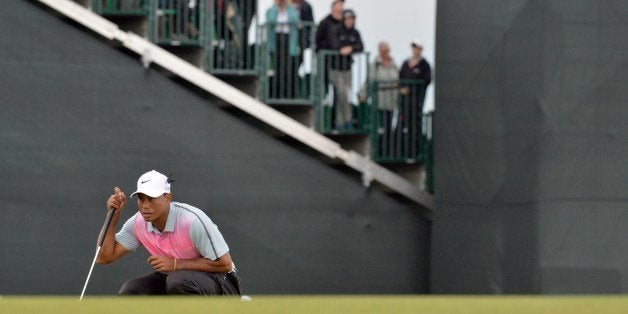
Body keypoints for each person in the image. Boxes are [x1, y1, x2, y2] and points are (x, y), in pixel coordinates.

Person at [96, 170, 242, 295]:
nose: (145, 205)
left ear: (168, 198)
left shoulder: (191, 221)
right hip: (176, 279)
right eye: (141, 199)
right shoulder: (138, 222)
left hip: (223, 282)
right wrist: (113, 216)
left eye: (152, 199)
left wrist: (175, 264)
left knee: (178, 281)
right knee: (132, 290)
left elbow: (225, 265)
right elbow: (104, 257)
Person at [359, 41, 399, 157]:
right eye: (383, 51)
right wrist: (363, 94)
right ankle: (377, 152)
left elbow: (398, 80)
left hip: (391, 103)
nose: (386, 53)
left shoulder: (394, 65)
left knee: (388, 129)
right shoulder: (375, 65)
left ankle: (387, 153)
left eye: (387, 51)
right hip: (379, 103)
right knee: (379, 129)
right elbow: (369, 81)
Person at [329, 9, 363, 130]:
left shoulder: (355, 33)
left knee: (343, 96)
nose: (350, 21)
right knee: (342, 94)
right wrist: (343, 48)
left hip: (347, 69)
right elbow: (334, 45)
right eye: (348, 19)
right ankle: (346, 121)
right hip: (335, 69)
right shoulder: (336, 30)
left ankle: (341, 123)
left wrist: (350, 48)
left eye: (352, 19)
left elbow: (360, 46)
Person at [399, 39, 431, 159]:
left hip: (416, 103)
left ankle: (414, 153)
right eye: (413, 47)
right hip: (404, 103)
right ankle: (402, 152)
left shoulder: (425, 65)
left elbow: (426, 81)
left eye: (417, 47)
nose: (415, 50)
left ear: (421, 49)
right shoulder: (405, 63)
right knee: (402, 126)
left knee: (414, 128)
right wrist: (402, 89)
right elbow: (400, 79)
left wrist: (411, 89)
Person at [265, 0, 301, 99]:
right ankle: (278, 93)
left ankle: (288, 93)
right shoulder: (272, 9)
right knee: (278, 68)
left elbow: (294, 19)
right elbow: (271, 19)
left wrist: (287, 6)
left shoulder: (291, 9)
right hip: (276, 41)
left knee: (287, 69)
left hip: (288, 41)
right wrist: (276, 6)